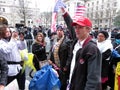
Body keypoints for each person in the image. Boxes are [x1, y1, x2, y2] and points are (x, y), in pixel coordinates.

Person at [63, 16, 102, 90]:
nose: (77, 30)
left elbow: (93, 80)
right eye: (76, 27)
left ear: (88, 29)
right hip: (71, 84)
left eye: (80, 27)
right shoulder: (75, 43)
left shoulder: (92, 49)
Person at [0, 25, 27, 90]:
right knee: (7, 87)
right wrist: (13, 39)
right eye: (6, 31)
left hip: (19, 67)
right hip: (9, 69)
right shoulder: (1, 42)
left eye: (9, 31)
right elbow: (6, 50)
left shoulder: (13, 40)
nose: (9, 32)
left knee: (22, 86)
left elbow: (23, 47)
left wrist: (22, 39)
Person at [48, 25, 72, 90]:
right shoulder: (54, 40)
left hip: (63, 67)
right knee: (55, 83)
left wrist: (67, 66)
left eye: (61, 30)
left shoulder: (67, 41)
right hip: (55, 66)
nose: (59, 32)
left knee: (63, 84)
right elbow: (51, 50)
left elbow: (70, 55)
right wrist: (49, 59)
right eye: (58, 30)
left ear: (63, 31)